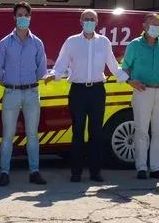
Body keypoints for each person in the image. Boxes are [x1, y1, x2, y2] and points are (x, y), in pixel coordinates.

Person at [47, 9, 128, 182]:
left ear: (97, 22)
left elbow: (113, 65)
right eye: (86, 19)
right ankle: (76, 172)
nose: (89, 22)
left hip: (97, 91)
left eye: (92, 19)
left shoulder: (104, 42)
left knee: (96, 133)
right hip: (78, 91)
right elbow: (61, 62)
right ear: (81, 21)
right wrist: (53, 75)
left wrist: (128, 78)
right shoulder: (72, 41)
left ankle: (95, 172)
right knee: (77, 131)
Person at [0, 1, 48, 186]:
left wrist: (32, 81)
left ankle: (34, 171)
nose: (23, 18)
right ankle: (4, 172)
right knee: (8, 135)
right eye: (19, 15)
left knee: (32, 135)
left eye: (26, 15)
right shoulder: (4, 43)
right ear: (14, 17)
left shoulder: (37, 43)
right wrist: (8, 82)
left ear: (30, 17)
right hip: (12, 93)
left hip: (32, 93)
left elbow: (42, 69)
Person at [121, 13, 159, 180]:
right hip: (142, 91)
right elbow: (125, 68)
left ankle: (156, 168)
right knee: (141, 130)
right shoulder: (134, 45)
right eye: (153, 24)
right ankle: (141, 167)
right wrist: (130, 81)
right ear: (144, 26)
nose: (156, 27)